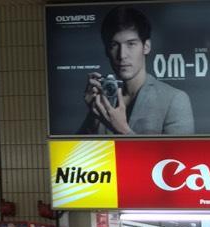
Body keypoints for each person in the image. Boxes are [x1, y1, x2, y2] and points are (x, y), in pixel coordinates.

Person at [79, 6, 194, 135]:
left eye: (131, 44)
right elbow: (75, 148)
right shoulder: (103, 99)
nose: (122, 55)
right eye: (114, 45)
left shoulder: (174, 100)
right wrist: (93, 116)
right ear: (106, 50)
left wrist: (123, 130)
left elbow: (179, 150)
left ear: (146, 47)